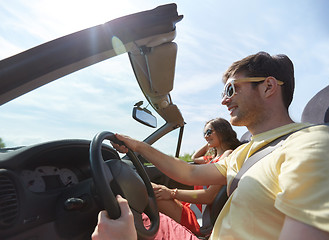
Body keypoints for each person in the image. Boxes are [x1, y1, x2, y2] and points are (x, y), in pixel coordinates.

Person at [92, 52, 329, 240]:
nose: (224, 100)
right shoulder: (246, 151)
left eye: (231, 89)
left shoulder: (311, 145)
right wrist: (138, 146)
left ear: (268, 87)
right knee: (131, 216)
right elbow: (190, 172)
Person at [151, 118, 241, 237]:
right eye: (204, 134)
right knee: (149, 188)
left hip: (200, 218)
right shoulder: (211, 159)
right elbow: (194, 158)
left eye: (209, 132)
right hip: (192, 207)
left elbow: (210, 196)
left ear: (222, 131)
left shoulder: (227, 155)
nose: (205, 136)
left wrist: (172, 193)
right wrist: (209, 140)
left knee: (151, 191)